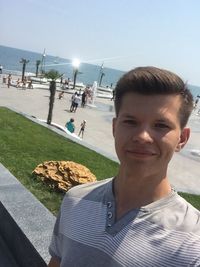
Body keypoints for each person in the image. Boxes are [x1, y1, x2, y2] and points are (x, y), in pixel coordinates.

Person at [48, 67, 200, 267]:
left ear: (182, 138)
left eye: (161, 125)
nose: (143, 136)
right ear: (114, 127)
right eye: (130, 121)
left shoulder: (193, 241)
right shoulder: (74, 199)